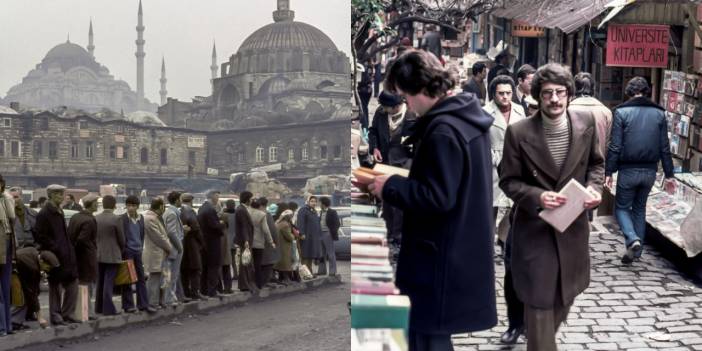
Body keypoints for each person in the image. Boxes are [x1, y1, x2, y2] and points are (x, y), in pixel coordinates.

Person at [369, 49, 497, 350]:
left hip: (438, 256)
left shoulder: (444, 130)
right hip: (454, 250)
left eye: (406, 96)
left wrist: (390, 186)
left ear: (423, 89)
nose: (408, 105)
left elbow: (437, 197)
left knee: (427, 338)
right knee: (427, 337)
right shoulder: (465, 118)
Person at [499, 63, 604, 351]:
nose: (554, 99)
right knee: (539, 303)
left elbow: (596, 164)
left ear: (569, 94)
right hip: (534, 232)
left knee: (563, 298)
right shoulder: (518, 133)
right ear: (537, 96)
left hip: (572, 229)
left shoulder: (586, 123)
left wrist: (594, 189)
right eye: (547, 94)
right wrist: (537, 196)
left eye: (560, 92)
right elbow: (508, 181)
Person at [605, 76, 676, 264]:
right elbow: (664, 147)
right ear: (647, 92)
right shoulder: (659, 113)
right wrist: (669, 175)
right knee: (639, 208)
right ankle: (636, 252)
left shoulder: (621, 112)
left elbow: (615, 146)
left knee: (620, 207)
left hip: (628, 170)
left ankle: (632, 238)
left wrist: (609, 172)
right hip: (650, 172)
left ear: (629, 92)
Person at [483, 74, 527, 344]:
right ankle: (490, 246)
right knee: (491, 208)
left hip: (516, 171)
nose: (505, 98)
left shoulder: (521, 112)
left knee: (511, 213)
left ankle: (504, 244)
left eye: (508, 93)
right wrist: (494, 157)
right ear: (493, 94)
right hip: (493, 170)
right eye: (500, 93)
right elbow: (481, 143)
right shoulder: (485, 113)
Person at [35, 184, 80, 325]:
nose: (61, 196)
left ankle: (68, 313)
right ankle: (56, 315)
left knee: (73, 284)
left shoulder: (59, 211)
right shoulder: (44, 213)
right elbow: (41, 236)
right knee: (55, 286)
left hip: (67, 254)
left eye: (62, 193)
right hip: (55, 255)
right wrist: (56, 248)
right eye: (58, 194)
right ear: (51, 195)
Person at [120, 195, 156, 313]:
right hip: (128, 251)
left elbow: (141, 235)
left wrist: (140, 247)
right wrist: (125, 249)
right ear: (126, 206)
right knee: (128, 278)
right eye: (129, 205)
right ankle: (128, 305)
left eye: (133, 206)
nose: (130, 208)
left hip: (138, 251)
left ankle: (143, 304)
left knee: (141, 278)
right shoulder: (122, 219)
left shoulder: (141, 218)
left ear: (137, 207)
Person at [67, 194, 98, 320]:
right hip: (86, 257)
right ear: (91, 204)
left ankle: (80, 311)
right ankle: (88, 312)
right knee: (87, 285)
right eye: (96, 203)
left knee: (79, 285)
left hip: (75, 256)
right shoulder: (89, 220)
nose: (97, 205)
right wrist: (90, 250)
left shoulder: (75, 216)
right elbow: (83, 240)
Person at [569, 72, 612, 160]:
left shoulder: (568, 109)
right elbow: (607, 144)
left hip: (573, 165)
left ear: (574, 88)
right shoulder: (606, 111)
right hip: (598, 164)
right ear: (593, 88)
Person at [95, 195, 125, 316]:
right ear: (114, 205)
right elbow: (121, 239)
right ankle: (108, 308)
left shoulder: (96, 218)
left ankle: (99, 307)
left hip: (99, 254)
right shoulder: (116, 219)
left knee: (100, 281)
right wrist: (121, 250)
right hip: (112, 254)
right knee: (109, 282)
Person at [143, 198, 173, 309]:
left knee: (159, 278)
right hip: (155, 252)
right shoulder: (150, 219)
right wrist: (169, 247)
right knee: (154, 278)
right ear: (161, 206)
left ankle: (157, 301)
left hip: (158, 253)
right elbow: (159, 237)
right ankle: (152, 302)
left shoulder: (153, 217)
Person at [197, 190, 225, 297]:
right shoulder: (210, 210)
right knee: (213, 267)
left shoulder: (202, 208)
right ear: (212, 196)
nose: (218, 199)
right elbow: (215, 226)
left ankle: (204, 290)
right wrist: (221, 224)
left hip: (204, 242)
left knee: (205, 267)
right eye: (217, 196)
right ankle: (212, 291)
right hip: (212, 243)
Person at [179, 193, 207, 300]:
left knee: (184, 271)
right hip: (192, 245)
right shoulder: (190, 212)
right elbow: (196, 228)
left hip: (182, 244)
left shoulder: (179, 211)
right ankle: (195, 292)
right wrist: (202, 242)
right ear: (191, 201)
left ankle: (186, 292)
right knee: (196, 269)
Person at [163, 191, 186, 304]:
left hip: (170, 249)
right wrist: (180, 246)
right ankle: (170, 299)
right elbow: (171, 232)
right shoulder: (172, 213)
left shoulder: (169, 212)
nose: (181, 201)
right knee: (173, 275)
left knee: (169, 274)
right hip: (174, 249)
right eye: (180, 199)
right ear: (177, 200)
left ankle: (168, 298)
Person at [0, 175, 15, 335]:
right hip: (7, 243)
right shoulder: (6, 199)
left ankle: (3, 327)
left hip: (4, 244)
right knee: (4, 289)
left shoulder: (4, 200)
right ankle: (7, 326)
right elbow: (12, 219)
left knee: (3, 290)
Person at [248, 199, 275, 289]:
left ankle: (250, 282)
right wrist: (271, 241)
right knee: (258, 264)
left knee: (248, 263)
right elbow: (266, 230)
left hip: (248, 242)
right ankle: (259, 283)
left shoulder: (246, 212)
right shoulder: (262, 215)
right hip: (259, 243)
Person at [234, 191, 257, 293]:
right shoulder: (241, 210)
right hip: (245, 241)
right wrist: (246, 240)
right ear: (247, 199)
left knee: (246, 262)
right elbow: (243, 226)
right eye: (251, 198)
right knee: (245, 262)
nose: (252, 200)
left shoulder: (243, 209)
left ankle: (247, 283)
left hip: (246, 239)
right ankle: (244, 284)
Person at [296, 196, 321, 274]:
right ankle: (305, 273)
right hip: (306, 236)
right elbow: (300, 222)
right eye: (312, 201)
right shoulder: (303, 210)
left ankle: (309, 271)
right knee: (305, 254)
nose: (314, 203)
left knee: (310, 254)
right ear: (308, 202)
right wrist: (302, 233)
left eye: (315, 201)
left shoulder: (314, 211)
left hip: (313, 237)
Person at [258, 198, 280, 287]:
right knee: (267, 263)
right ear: (265, 205)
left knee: (260, 263)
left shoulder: (254, 213)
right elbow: (272, 230)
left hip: (256, 243)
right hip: (267, 243)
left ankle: (260, 281)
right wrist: (275, 241)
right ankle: (264, 282)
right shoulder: (267, 215)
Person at [317, 197, 339, 276]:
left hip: (327, 234)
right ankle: (322, 271)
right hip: (320, 234)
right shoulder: (320, 212)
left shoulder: (332, 212)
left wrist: (331, 232)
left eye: (320, 203)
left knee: (330, 253)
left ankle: (332, 271)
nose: (318, 204)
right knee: (321, 254)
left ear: (323, 204)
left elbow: (337, 223)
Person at [274, 210, 295, 284]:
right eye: (291, 216)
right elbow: (290, 237)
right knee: (285, 263)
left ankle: (281, 278)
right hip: (285, 246)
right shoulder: (285, 225)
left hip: (278, 245)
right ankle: (286, 279)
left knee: (280, 263)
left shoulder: (277, 223)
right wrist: (294, 235)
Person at [220, 200, 237, 294]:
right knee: (233, 260)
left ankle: (224, 277)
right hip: (234, 239)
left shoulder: (223, 215)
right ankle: (235, 273)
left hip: (225, 239)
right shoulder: (237, 215)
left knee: (225, 260)